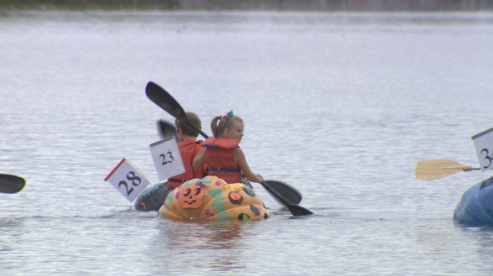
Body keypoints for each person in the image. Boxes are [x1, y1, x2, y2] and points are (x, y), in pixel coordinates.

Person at [135, 112, 208, 211]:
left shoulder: (167, 149)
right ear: (198, 131)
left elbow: (168, 177)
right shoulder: (204, 149)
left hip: (172, 196)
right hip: (196, 195)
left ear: (179, 130)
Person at [193, 110, 263, 185]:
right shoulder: (236, 151)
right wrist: (259, 179)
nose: (242, 134)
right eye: (238, 131)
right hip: (231, 191)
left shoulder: (209, 148)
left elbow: (195, 165)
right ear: (227, 131)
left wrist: (206, 145)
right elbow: (250, 176)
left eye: (242, 131)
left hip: (212, 188)